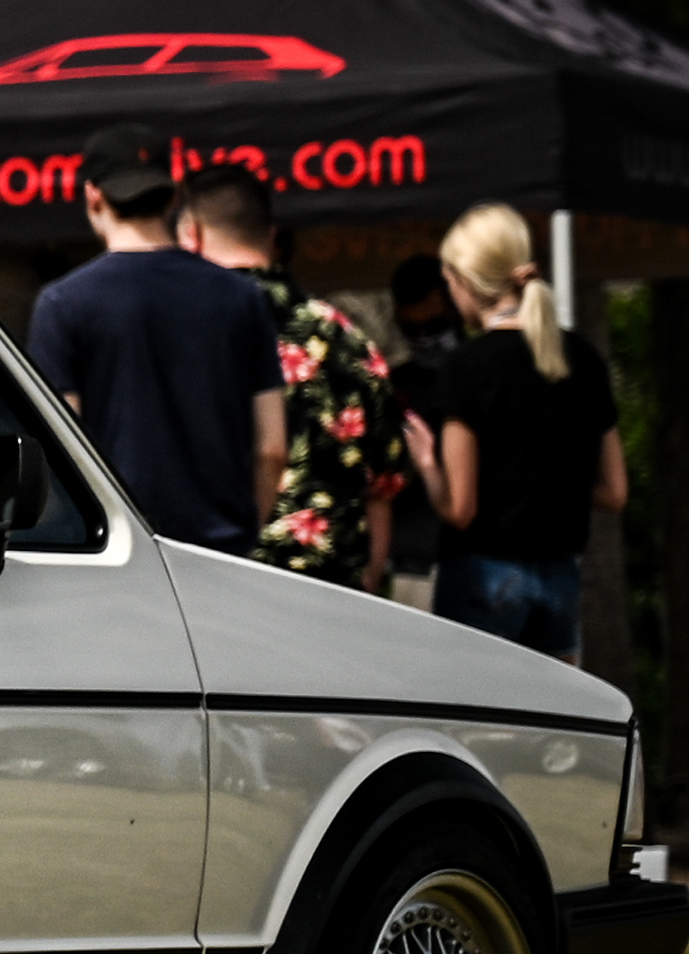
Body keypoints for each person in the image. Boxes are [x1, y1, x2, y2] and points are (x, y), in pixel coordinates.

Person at [25, 129, 283, 551]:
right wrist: (244, 535)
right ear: (173, 197)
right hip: (221, 551)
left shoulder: (63, 304)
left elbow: (60, 453)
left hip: (121, 553)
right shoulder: (243, 297)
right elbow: (272, 448)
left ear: (93, 196)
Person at [173, 165, 407, 589]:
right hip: (334, 585)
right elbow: (383, 486)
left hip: (215, 582)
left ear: (192, 235)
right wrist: (370, 578)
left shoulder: (181, 335)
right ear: (273, 235)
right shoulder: (348, 338)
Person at [421, 203, 627, 659]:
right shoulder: (583, 358)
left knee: (474, 702)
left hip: (484, 572)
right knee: (550, 705)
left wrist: (427, 466)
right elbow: (614, 492)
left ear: (465, 280)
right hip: (561, 577)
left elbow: (460, 509)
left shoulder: (466, 368)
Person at [381, 251, 465, 608]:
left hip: (478, 560)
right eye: (412, 330)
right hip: (410, 563)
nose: (425, 339)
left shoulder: (485, 375)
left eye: (435, 326)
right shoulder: (394, 387)